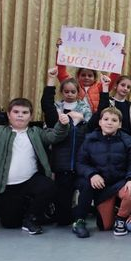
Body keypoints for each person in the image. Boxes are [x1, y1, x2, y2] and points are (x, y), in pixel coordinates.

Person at [0, 98, 69, 234]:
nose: (20, 115)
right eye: (16, 112)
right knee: (10, 224)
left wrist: (62, 124)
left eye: (25, 112)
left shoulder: (36, 132)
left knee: (49, 186)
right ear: (8, 114)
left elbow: (54, 136)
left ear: (30, 116)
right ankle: (3, 208)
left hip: (30, 181)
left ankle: (31, 218)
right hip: (5, 187)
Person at [72, 107, 131, 238]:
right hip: (101, 186)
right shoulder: (89, 140)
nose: (109, 122)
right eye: (106, 119)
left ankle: (120, 219)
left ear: (119, 124)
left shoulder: (128, 140)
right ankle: (79, 221)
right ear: (100, 122)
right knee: (105, 226)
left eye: (114, 120)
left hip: (119, 183)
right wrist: (92, 174)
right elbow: (80, 163)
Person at [41, 67, 90, 225]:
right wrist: (51, 80)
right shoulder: (57, 108)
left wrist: (81, 119)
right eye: (66, 91)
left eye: (73, 91)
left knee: (83, 190)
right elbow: (46, 105)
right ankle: (59, 212)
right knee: (63, 211)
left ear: (78, 92)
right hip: (61, 161)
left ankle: (80, 214)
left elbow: (92, 126)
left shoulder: (84, 109)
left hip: (79, 160)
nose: (69, 94)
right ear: (62, 92)